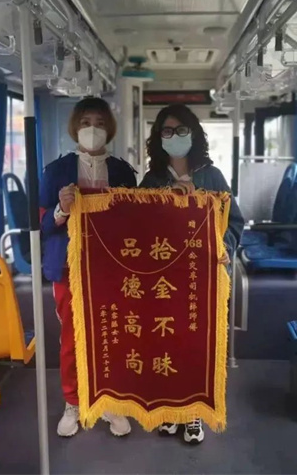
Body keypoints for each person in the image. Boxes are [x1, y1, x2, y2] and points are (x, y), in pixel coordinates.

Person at [139, 104, 244, 445]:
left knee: (196, 344)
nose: (175, 137)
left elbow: (234, 221)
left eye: (181, 130)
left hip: (201, 276)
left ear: (194, 134)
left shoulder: (212, 177)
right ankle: (171, 409)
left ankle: (194, 410)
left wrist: (224, 246)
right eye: (167, 131)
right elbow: (135, 225)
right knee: (166, 341)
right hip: (164, 276)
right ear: (159, 138)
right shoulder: (152, 180)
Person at [39, 97, 137, 438]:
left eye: (99, 123)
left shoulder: (123, 172)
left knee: (111, 335)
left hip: (111, 268)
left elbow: (138, 223)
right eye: (85, 123)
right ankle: (73, 401)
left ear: (109, 128)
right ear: (75, 128)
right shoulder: (55, 171)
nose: (92, 129)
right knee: (72, 337)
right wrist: (61, 210)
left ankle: (109, 399)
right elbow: (41, 224)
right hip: (69, 267)